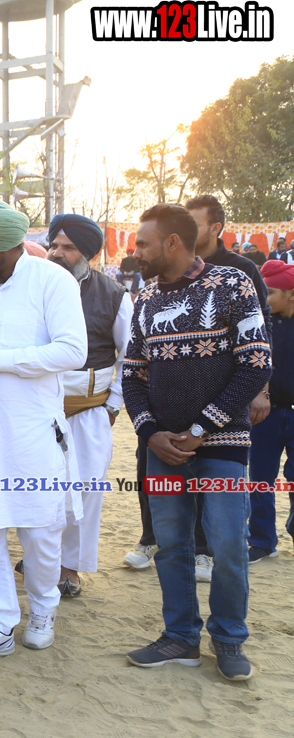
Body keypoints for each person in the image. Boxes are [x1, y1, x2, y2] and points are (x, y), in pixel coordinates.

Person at [122, 203, 270, 681]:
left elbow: (256, 364)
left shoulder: (233, 284)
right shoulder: (145, 299)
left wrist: (201, 429)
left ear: (172, 243)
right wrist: (150, 433)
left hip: (223, 444)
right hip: (163, 450)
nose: (136, 251)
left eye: (143, 243)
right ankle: (181, 637)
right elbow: (132, 376)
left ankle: (228, 638)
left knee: (227, 545)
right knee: (169, 544)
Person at [0, 197, 87, 664]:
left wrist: (0, 360)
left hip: (31, 430)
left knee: (40, 530)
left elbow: (73, 351)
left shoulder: (52, 280)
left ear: (7, 244)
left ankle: (44, 611)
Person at [47, 214, 133, 597]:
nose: (57, 253)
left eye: (68, 247)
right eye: (54, 245)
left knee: (82, 491)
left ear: (89, 254)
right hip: (38, 409)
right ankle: (43, 556)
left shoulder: (113, 295)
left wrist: (113, 404)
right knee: (37, 486)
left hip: (90, 410)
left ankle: (69, 567)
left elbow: (131, 357)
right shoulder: (33, 287)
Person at [249, 260, 294, 561]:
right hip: (264, 414)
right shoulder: (259, 325)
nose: (264, 299)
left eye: (272, 292)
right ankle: (262, 542)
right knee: (259, 479)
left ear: (291, 294)